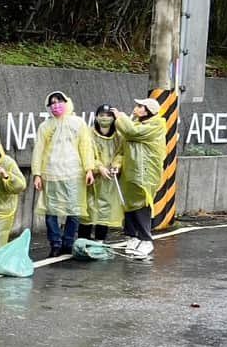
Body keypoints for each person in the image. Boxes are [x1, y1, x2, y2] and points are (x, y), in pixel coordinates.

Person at [32, 91, 95, 255]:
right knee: (50, 210)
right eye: (52, 103)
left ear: (67, 102)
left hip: (74, 173)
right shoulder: (45, 126)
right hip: (51, 173)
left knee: (74, 210)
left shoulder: (78, 123)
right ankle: (55, 243)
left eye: (59, 101)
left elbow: (85, 147)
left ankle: (68, 242)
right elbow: (38, 150)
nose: (56, 105)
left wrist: (89, 169)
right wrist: (37, 174)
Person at [113, 97, 168, 258]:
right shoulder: (134, 123)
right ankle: (132, 237)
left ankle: (146, 239)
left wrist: (120, 117)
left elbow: (132, 132)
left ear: (148, 111)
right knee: (129, 205)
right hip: (130, 172)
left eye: (140, 106)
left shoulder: (156, 125)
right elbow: (122, 149)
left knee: (142, 204)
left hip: (146, 173)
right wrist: (117, 163)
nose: (136, 108)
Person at [84, 105, 125, 243]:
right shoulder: (88, 134)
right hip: (91, 176)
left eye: (108, 115)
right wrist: (98, 167)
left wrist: (116, 165)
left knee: (105, 209)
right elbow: (86, 153)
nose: (105, 118)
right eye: (101, 115)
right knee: (88, 208)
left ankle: (99, 240)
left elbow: (121, 153)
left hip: (109, 178)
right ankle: (83, 239)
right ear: (96, 117)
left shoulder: (118, 136)